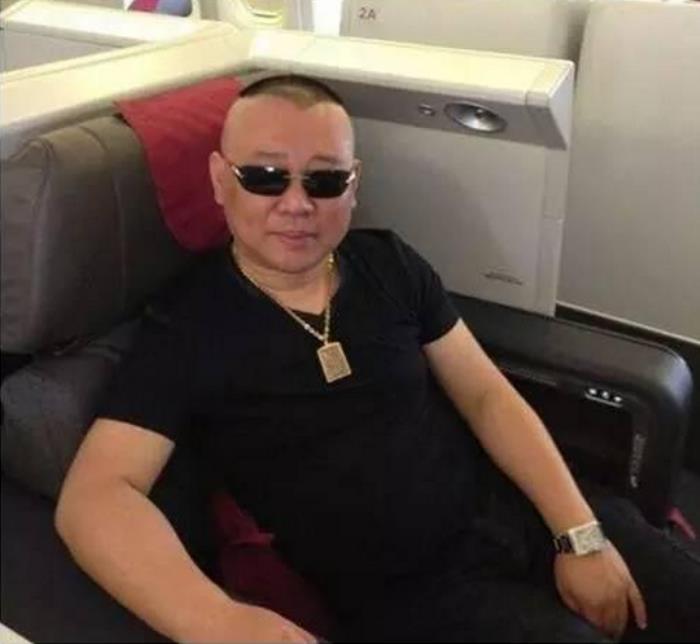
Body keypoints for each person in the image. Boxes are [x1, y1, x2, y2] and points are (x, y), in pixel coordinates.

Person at [55, 75, 700, 643]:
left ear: (353, 185)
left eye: (324, 179)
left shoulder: (388, 263)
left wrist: (578, 533)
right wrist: (216, 620)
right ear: (221, 181)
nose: (296, 203)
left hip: (519, 513)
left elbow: (486, 396)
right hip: (420, 598)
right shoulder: (189, 323)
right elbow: (97, 496)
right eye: (265, 176)